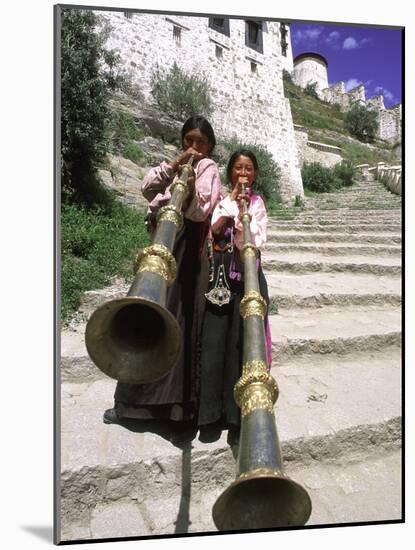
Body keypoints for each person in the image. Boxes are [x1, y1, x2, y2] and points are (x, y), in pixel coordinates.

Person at [103, 116, 222, 442]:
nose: (193, 148)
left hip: (187, 252)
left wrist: (191, 179)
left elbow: (201, 210)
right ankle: (131, 407)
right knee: (145, 315)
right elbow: (147, 188)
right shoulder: (172, 164)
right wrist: (174, 166)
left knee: (180, 323)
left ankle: (178, 414)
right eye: (188, 141)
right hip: (161, 242)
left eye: (200, 142)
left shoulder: (209, 168)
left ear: (209, 145)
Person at [197, 149, 272, 444]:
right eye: (238, 168)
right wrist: (224, 220)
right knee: (214, 345)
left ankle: (238, 416)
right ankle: (209, 416)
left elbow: (255, 239)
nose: (243, 173)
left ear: (254, 174)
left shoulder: (257, 204)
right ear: (230, 172)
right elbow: (213, 234)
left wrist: (241, 216)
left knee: (243, 346)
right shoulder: (221, 202)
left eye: (249, 169)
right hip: (220, 281)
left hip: (249, 280)